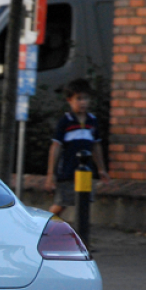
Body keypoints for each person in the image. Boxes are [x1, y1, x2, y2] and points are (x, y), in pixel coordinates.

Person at [44, 78, 109, 217]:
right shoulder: (65, 121)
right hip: (68, 171)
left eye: (85, 98)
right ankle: (43, 226)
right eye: (78, 99)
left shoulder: (92, 121)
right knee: (62, 204)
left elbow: (96, 146)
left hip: (86, 171)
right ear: (69, 100)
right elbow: (56, 147)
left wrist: (101, 169)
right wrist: (51, 174)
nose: (83, 102)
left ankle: (80, 232)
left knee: (84, 202)